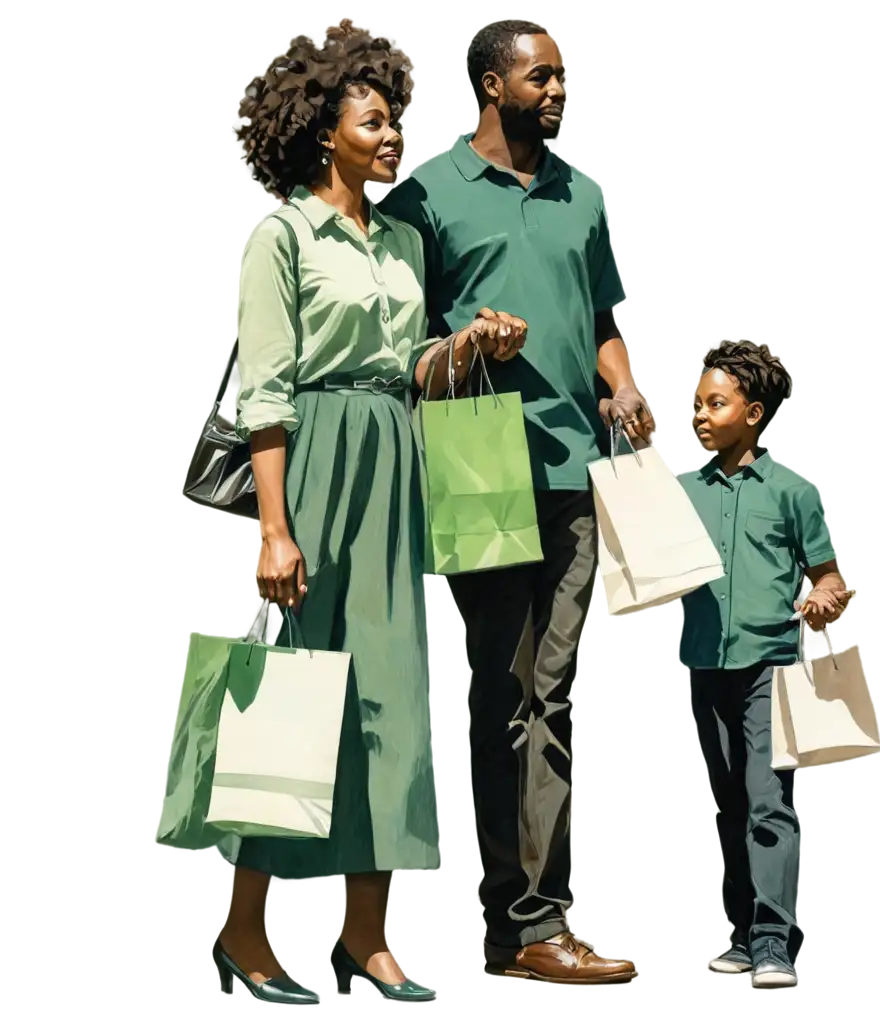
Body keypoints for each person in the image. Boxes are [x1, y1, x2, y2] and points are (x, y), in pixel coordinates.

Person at [212, 20, 528, 1007]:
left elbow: (408, 370)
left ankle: (368, 935)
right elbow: (262, 389)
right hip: (311, 466)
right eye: (376, 121)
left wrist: (469, 343)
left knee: (392, 704)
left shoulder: (398, 238)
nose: (395, 136)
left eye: (394, 120)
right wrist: (273, 524)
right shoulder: (279, 237)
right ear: (325, 133)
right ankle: (244, 926)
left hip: (396, 464)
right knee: (294, 700)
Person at [380, 17, 650, 984]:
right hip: (478, 457)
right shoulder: (425, 192)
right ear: (493, 85)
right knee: (500, 699)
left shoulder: (587, 193)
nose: (560, 91)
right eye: (543, 77)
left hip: (578, 469)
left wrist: (620, 383)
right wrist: (466, 348)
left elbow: (603, 314)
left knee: (557, 696)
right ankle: (517, 928)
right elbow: (397, 338)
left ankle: (536, 926)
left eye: (565, 76)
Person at [678, 340, 853, 991]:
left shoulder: (792, 489)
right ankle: (740, 936)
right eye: (695, 404)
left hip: (771, 669)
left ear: (751, 412)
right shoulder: (682, 489)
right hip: (705, 664)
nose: (699, 415)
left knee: (767, 802)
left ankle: (774, 940)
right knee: (726, 802)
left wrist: (821, 598)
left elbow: (831, 578)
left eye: (715, 403)